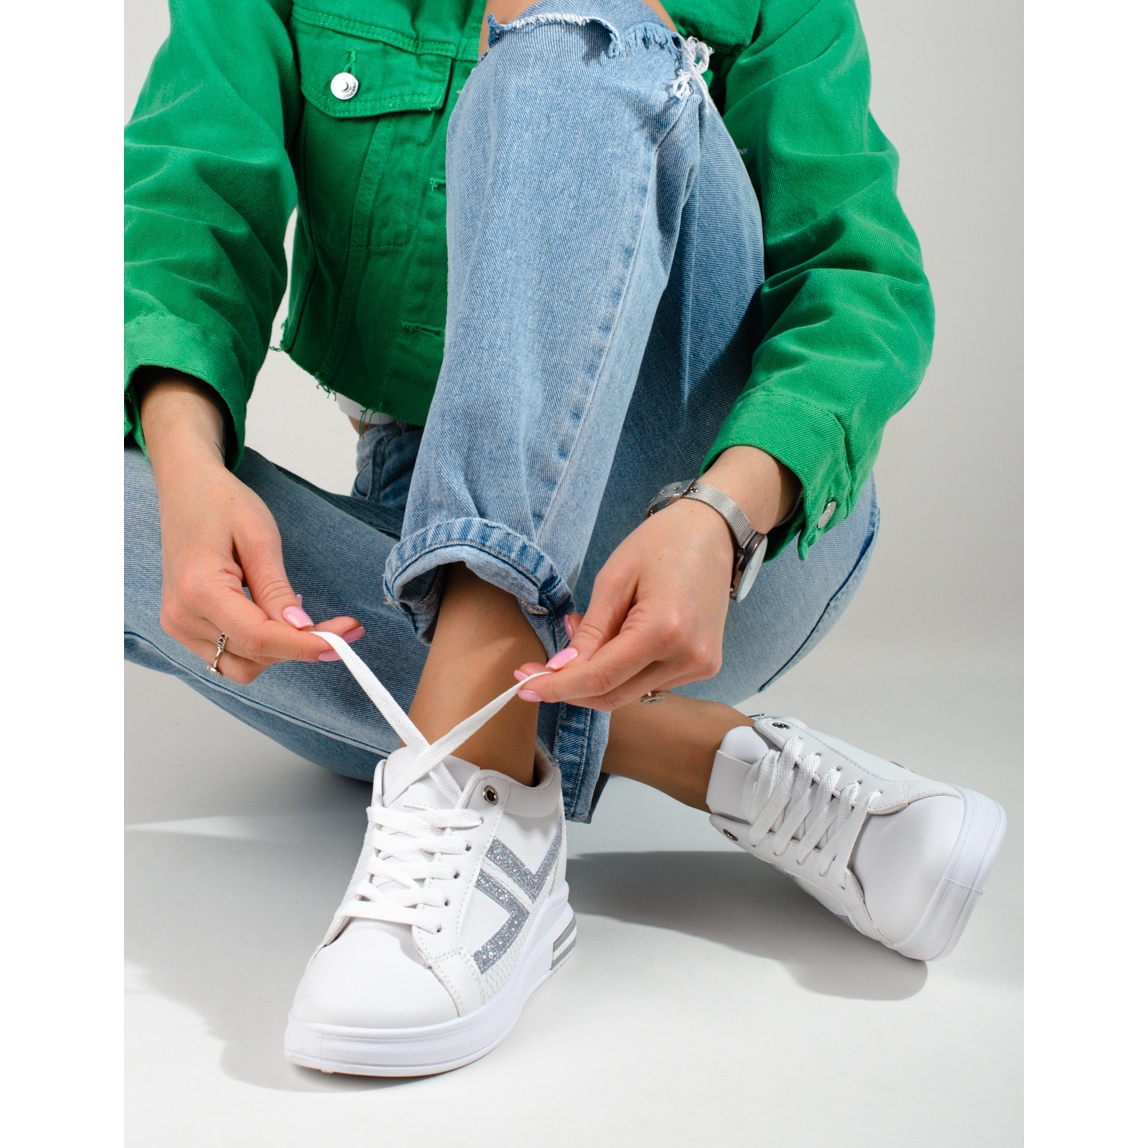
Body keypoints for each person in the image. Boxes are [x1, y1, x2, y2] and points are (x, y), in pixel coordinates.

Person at [124, 0, 1007, 1077]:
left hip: (713, 534)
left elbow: (857, 281)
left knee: (577, 40)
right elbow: (187, 209)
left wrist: (721, 514)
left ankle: (474, 772)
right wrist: (187, 472)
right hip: (420, 521)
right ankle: (694, 754)